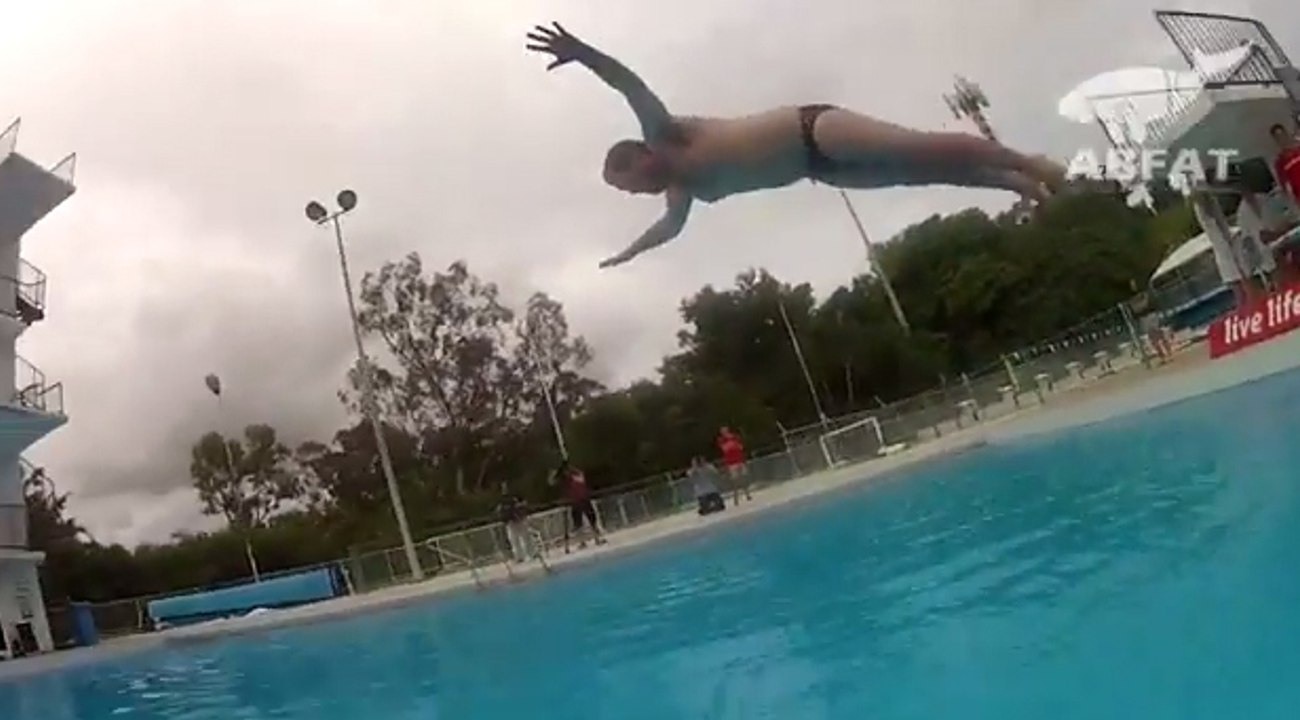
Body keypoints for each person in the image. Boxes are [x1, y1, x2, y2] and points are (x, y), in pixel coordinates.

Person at [525, 23, 1066, 269]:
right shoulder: (679, 192)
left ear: (640, 157)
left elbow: (629, 84)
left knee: (924, 148)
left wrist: (583, 53)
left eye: (628, 185)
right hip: (823, 169)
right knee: (923, 173)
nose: (635, 195)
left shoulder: (664, 135)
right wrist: (626, 254)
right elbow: (667, 230)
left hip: (814, 129)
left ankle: (1032, 164)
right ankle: (1021, 186)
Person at [559, 462, 606, 549]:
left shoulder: (577, 477)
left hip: (583, 501)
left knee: (592, 521)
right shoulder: (569, 480)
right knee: (579, 524)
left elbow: (578, 474)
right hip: (577, 502)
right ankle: (584, 542)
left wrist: (570, 469)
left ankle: (596, 539)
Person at [497, 483, 535, 563]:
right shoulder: (501, 499)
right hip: (510, 522)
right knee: (514, 540)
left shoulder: (515, 495)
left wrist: (518, 506)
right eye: (503, 487)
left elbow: (524, 502)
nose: (505, 489)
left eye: (506, 487)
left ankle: (529, 554)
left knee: (524, 537)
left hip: (519, 519)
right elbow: (499, 509)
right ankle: (518, 557)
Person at [716, 427, 752, 503]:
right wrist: (732, 443)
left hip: (739, 460)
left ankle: (747, 494)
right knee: (735, 480)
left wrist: (734, 443)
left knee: (743, 478)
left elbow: (740, 447)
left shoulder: (734, 436)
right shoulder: (721, 440)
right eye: (723, 431)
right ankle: (736, 497)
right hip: (731, 462)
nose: (724, 432)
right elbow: (725, 449)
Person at [1271, 123, 1300, 205]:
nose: (1282, 140)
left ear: (1287, 135)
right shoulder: (1279, 163)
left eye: (1283, 136)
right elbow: (1284, 187)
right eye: (1278, 138)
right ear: (1276, 141)